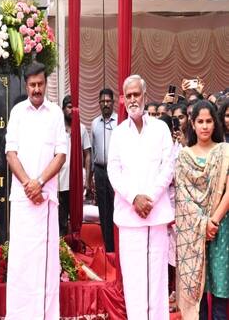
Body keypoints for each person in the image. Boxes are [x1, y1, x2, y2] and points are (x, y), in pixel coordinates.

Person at [108, 75, 174, 320]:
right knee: (134, 280)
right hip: (129, 217)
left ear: (145, 97)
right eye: (129, 95)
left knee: (157, 280)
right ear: (123, 100)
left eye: (138, 94)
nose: (134, 99)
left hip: (156, 216)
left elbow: (168, 167)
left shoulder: (161, 129)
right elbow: (113, 172)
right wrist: (134, 197)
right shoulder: (118, 134)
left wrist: (151, 198)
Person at [4, 62, 66, 319]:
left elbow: (61, 154)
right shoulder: (17, 112)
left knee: (47, 265)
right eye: (32, 85)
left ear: (46, 83)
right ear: (26, 85)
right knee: (21, 263)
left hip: (46, 199)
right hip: (22, 199)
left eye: (40, 84)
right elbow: (10, 152)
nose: (37, 89)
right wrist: (28, 184)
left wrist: (39, 182)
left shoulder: (56, 114)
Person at [175, 100, 229, 320]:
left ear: (214, 124)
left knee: (220, 290)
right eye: (200, 121)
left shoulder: (224, 152)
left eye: (209, 121)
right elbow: (182, 197)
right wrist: (202, 223)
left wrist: (213, 221)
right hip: (192, 232)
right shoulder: (183, 156)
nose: (205, 126)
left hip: (221, 228)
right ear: (193, 125)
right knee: (197, 291)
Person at [59, 95, 92, 236]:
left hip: (76, 183)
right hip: (60, 183)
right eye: (69, 107)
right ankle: (61, 253)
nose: (72, 110)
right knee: (60, 221)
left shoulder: (81, 129)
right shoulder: (57, 129)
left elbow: (88, 154)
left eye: (74, 107)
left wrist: (88, 181)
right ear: (63, 109)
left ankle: (75, 252)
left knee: (75, 222)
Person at [90, 87, 118, 252]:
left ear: (113, 103)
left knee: (116, 207)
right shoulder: (94, 124)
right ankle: (108, 246)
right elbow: (93, 150)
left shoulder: (121, 121)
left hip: (115, 170)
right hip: (100, 170)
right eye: (103, 101)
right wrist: (92, 176)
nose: (106, 104)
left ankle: (117, 244)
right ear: (99, 103)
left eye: (108, 101)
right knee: (103, 208)